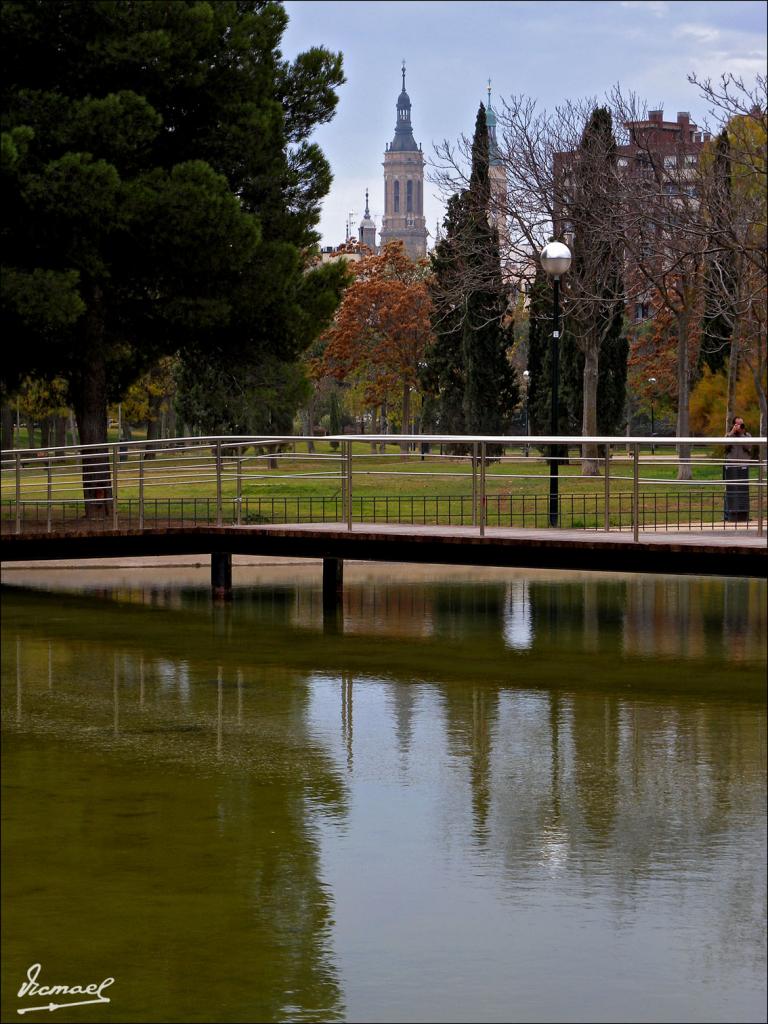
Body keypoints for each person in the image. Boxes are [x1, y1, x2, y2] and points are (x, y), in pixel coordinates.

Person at [724, 416, 755, 523]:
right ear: (733, 425)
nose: (740, 426)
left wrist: (741, 434)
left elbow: (749, 446)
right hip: (731, 466)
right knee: (730, 490)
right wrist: (732, 433)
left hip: (743, 466)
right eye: (737, 424)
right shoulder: (729, 435)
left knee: (743, 490)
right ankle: (728, 515)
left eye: (742, 424)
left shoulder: (747, 436)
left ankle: (744, 514)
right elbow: (726, 445)